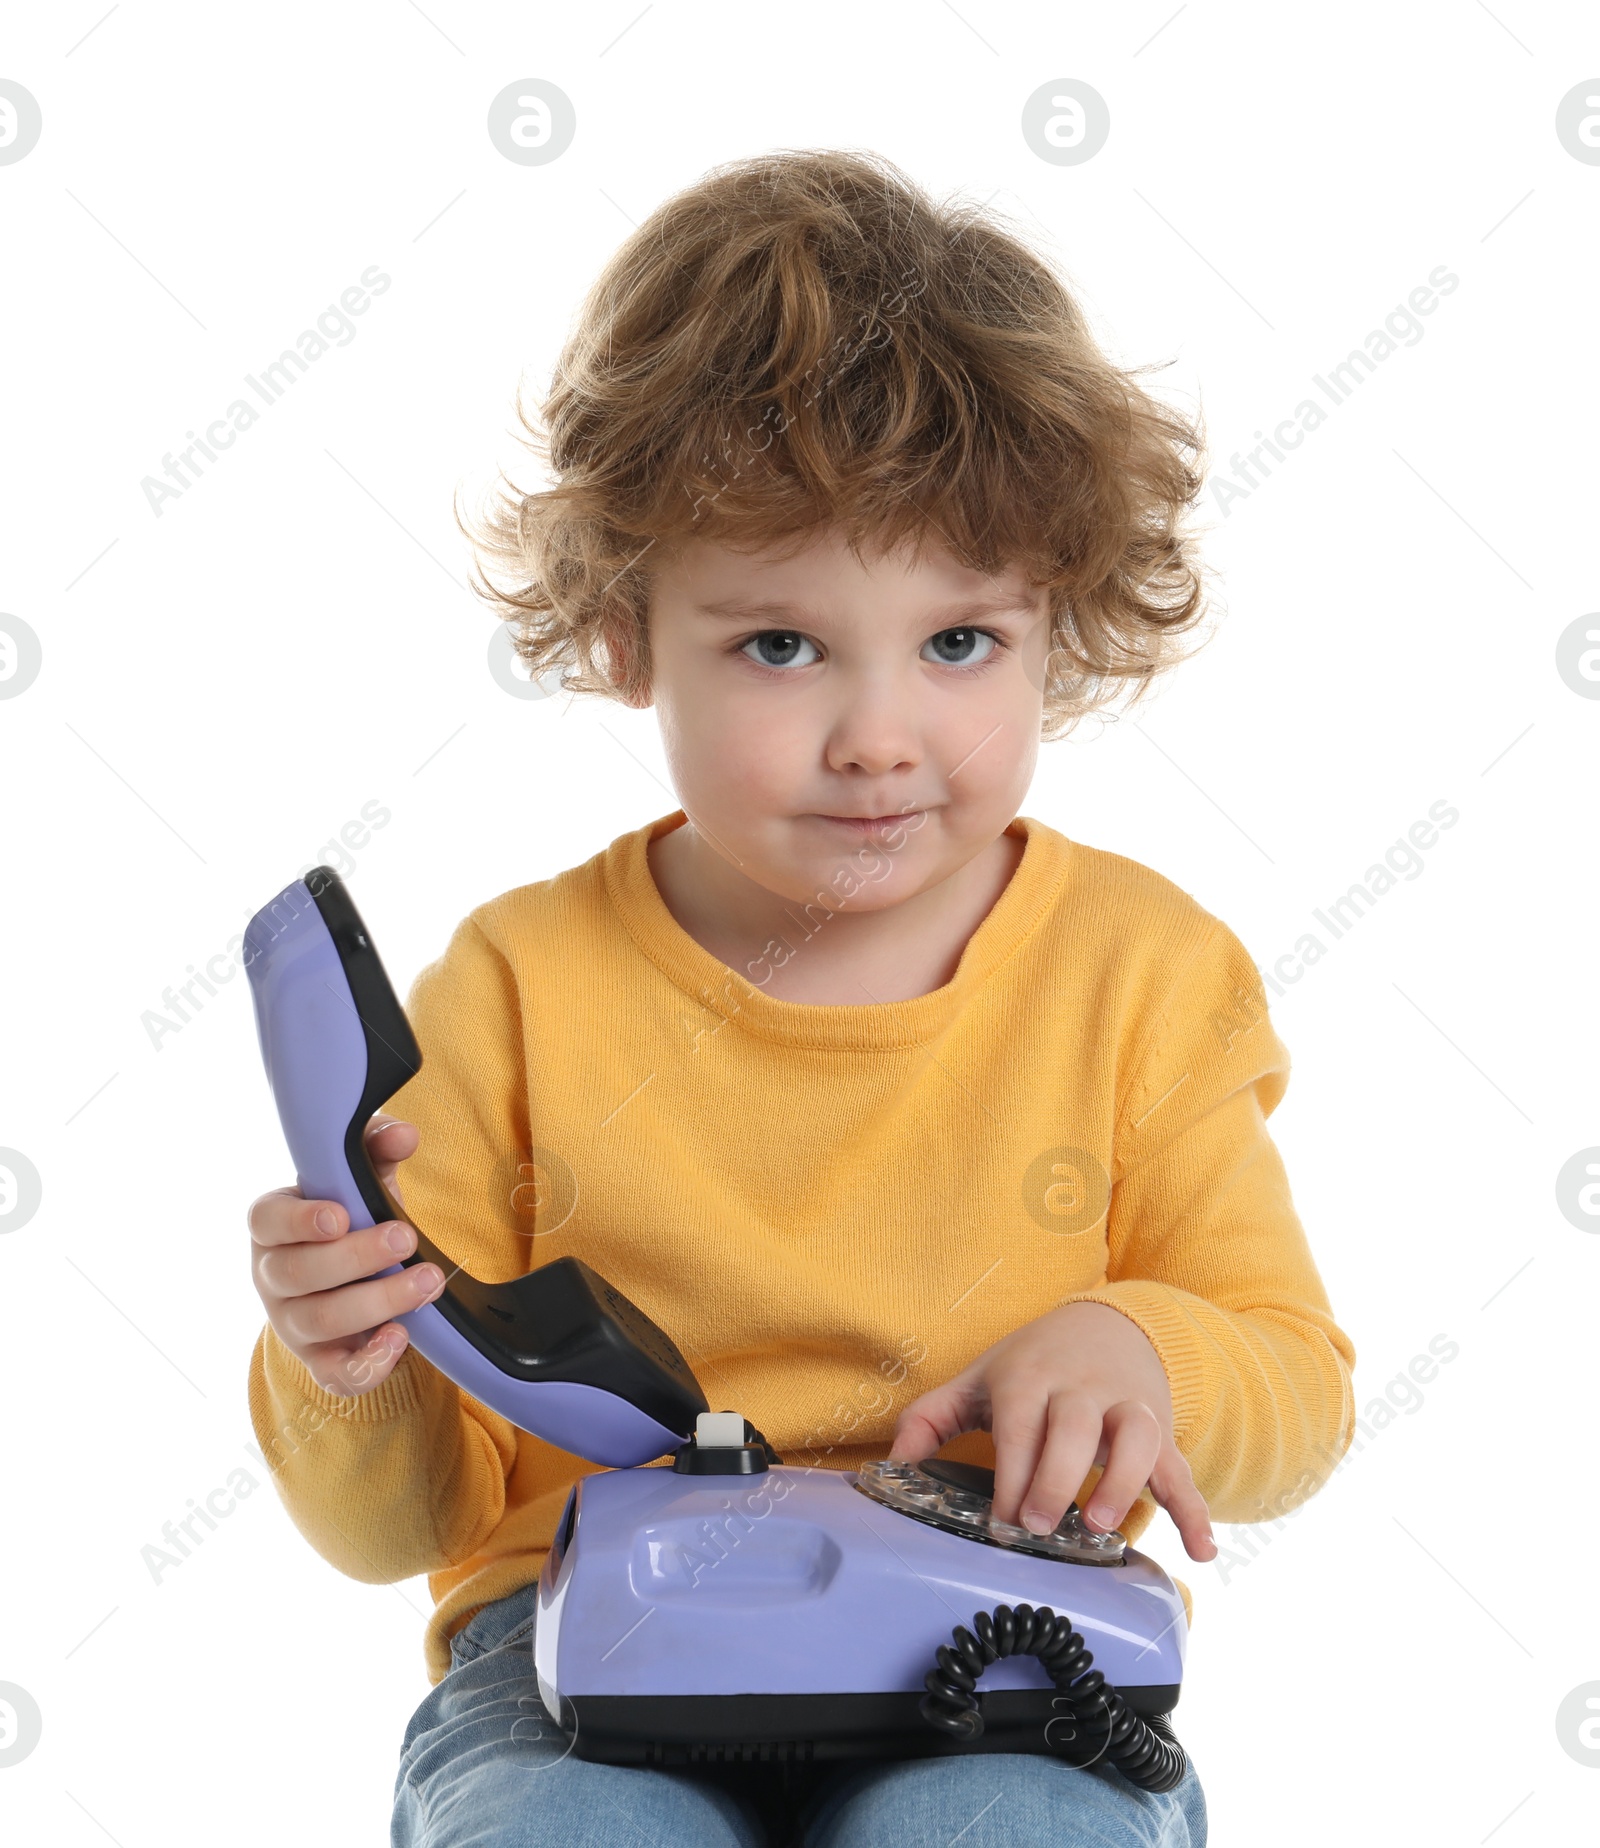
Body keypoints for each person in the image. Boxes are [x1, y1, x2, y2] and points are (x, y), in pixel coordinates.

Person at [246, 147, 1355, 1847]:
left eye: (961, 642)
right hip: (577, 1666)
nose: (880, 736)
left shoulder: (1145, 975)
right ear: (628, 631)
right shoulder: (519, 986)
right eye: (781, 647)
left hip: (996, 1653)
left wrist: (1146, 1343)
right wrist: (345, 1363)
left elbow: (1295, 1387)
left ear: (1056, 617)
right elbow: (401, 1523)